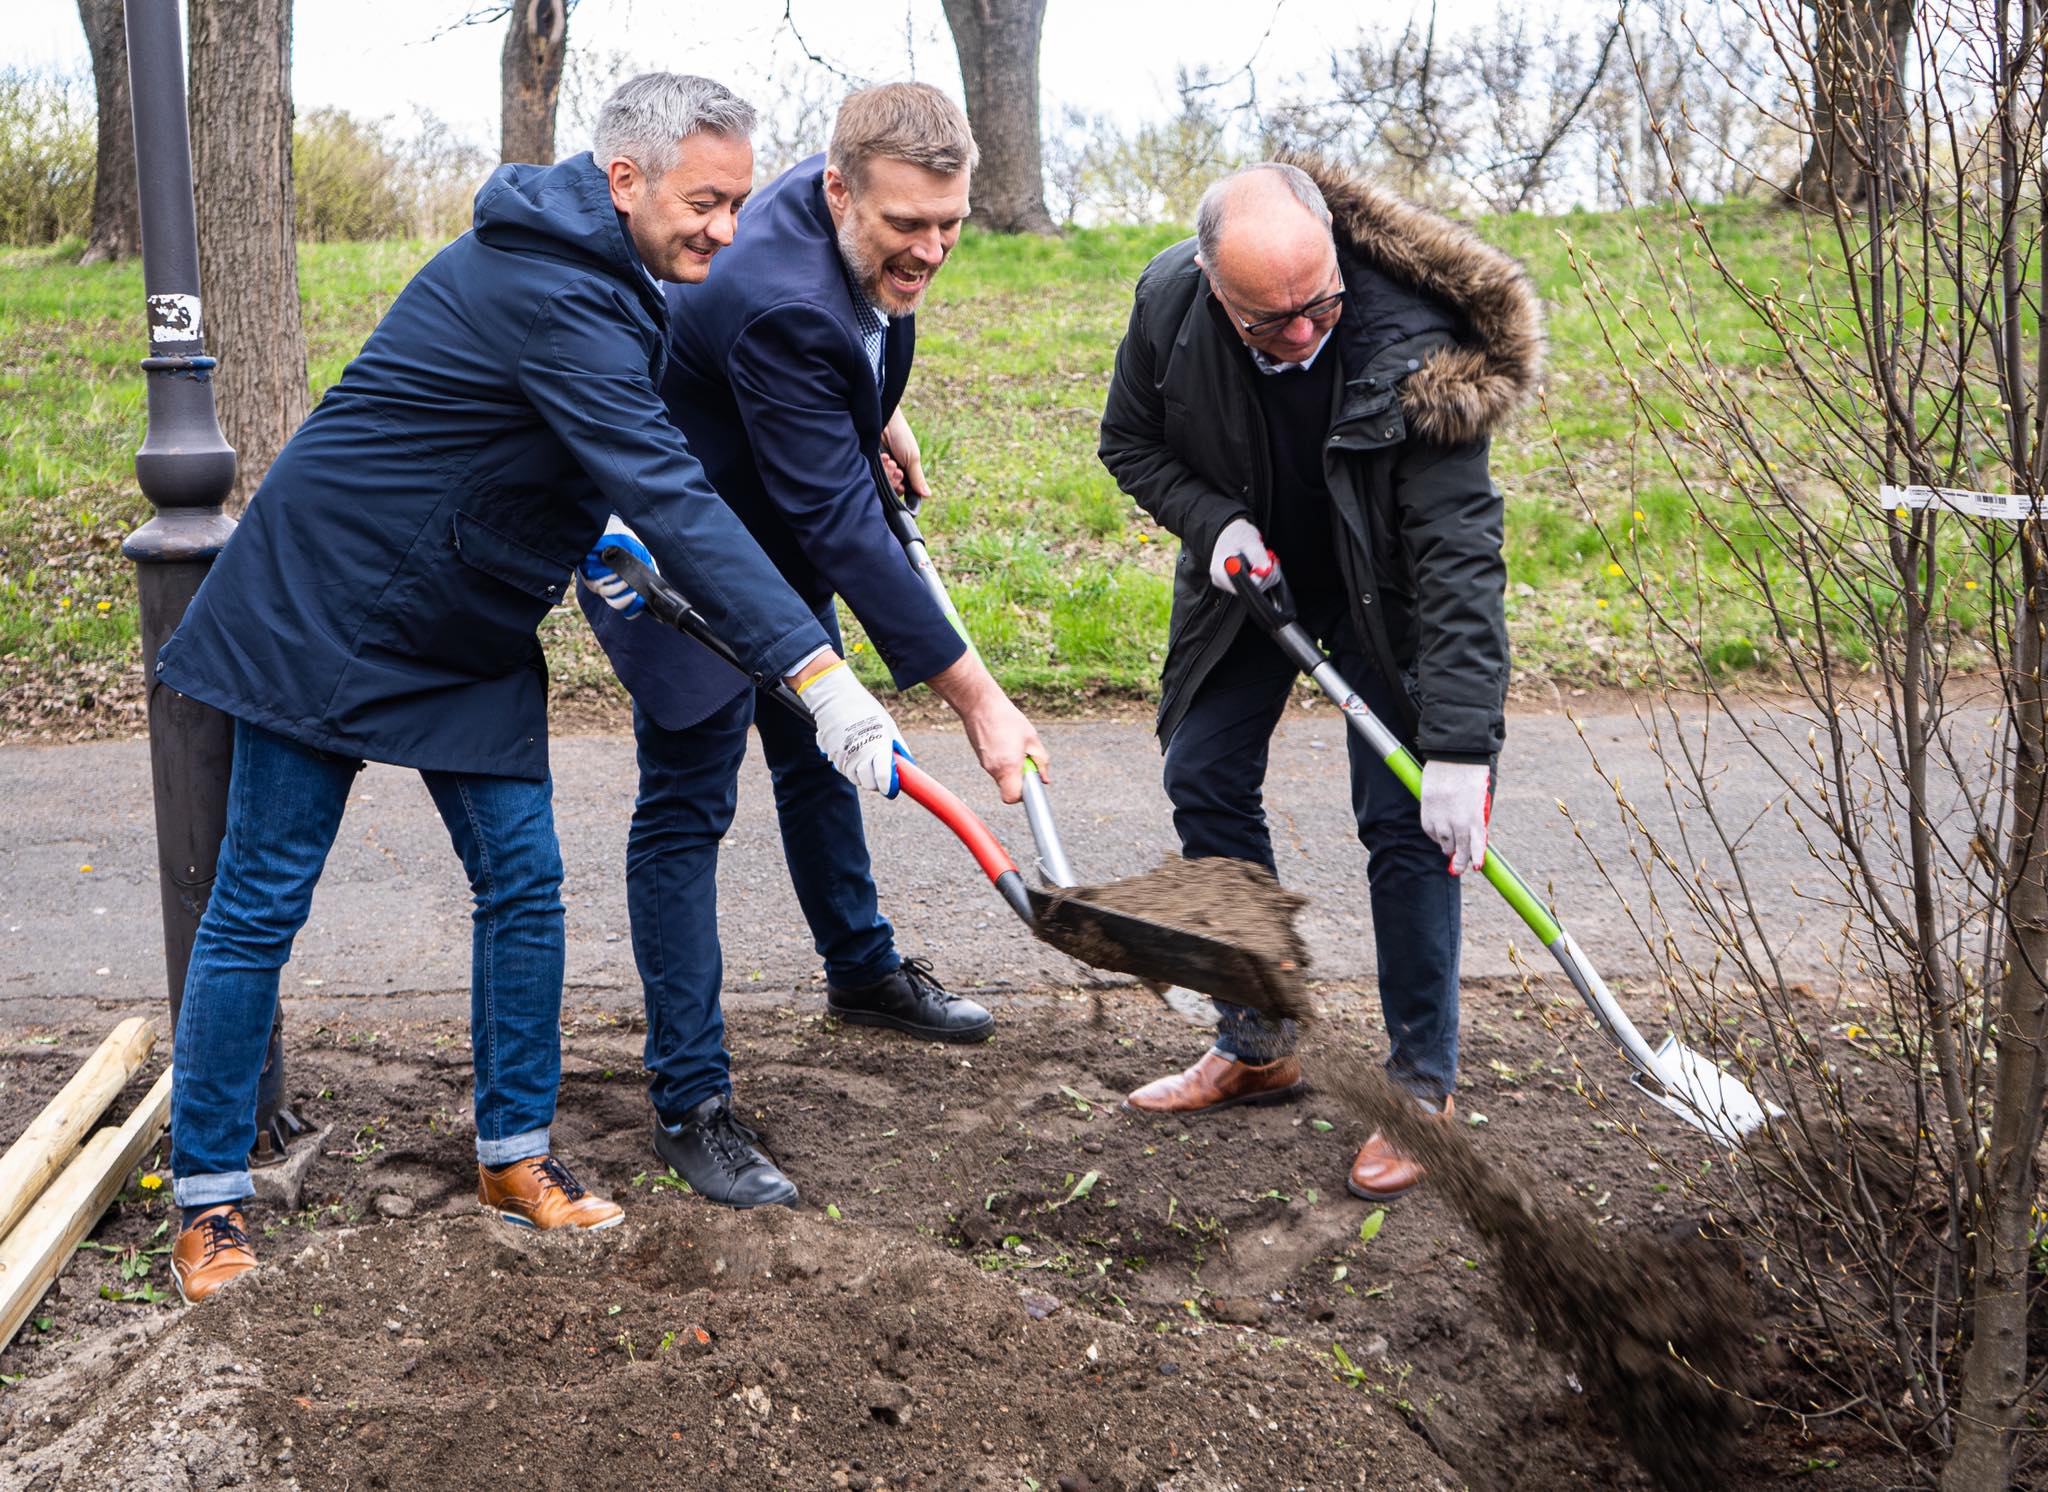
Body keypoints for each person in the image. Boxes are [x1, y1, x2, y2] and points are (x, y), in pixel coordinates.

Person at [155, 73, 909, 1304]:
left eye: (737, 200)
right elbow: (674, 487)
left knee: (524, 879)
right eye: (704, 201)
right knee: (261, 900)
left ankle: (513, 1155)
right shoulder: (551, 284)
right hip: (330, 606)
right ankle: (208, 1206)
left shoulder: (614, 273)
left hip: (465, 607)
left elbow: (584, 440)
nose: (726, 226)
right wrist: (817, 673)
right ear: (624, 180)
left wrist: (593, 512)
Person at [578, 82, 1047, 1209]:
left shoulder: (849, 218)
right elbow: (845, 526)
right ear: (838, 191)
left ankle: (861, 969)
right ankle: (690, 1102)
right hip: (673, 547)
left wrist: (870, 404)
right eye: (905, 227)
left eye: (950, 224)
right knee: (688, 802)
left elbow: (853, 341)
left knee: (824, 751)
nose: (930, 249)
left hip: (769, 511)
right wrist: (979, 698)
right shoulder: (779, 296)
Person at [1097, 159, 1540, 1200]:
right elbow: (1128, 443)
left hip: (1384, 582)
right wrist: (1214, 524)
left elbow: (1458, 559)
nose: (1300, 334)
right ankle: (1258, 1039)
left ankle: (1418, 1086)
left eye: (1316, 306)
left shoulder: (1417, 348)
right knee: (1201, 773)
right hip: (1253, 569)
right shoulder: (1168, 304)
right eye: (1268, 322)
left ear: (1334, 259)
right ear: (1212, 285)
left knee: (1405, 820)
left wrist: (1461, 749)